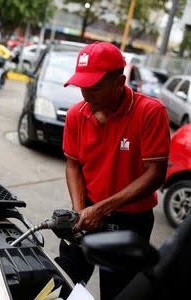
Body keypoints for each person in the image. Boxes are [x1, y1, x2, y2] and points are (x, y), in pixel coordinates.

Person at [57, 42, 171, 300]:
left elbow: (155, 174)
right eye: (82, 86)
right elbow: (73, 165)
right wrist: (78, 212)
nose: (86, 95)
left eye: (95, 87)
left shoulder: (150, 112)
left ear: (120, 81)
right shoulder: (77, 114)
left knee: (118, 293)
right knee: (61, 281)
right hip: (86, 209)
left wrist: (103, 209)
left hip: (131, 221)